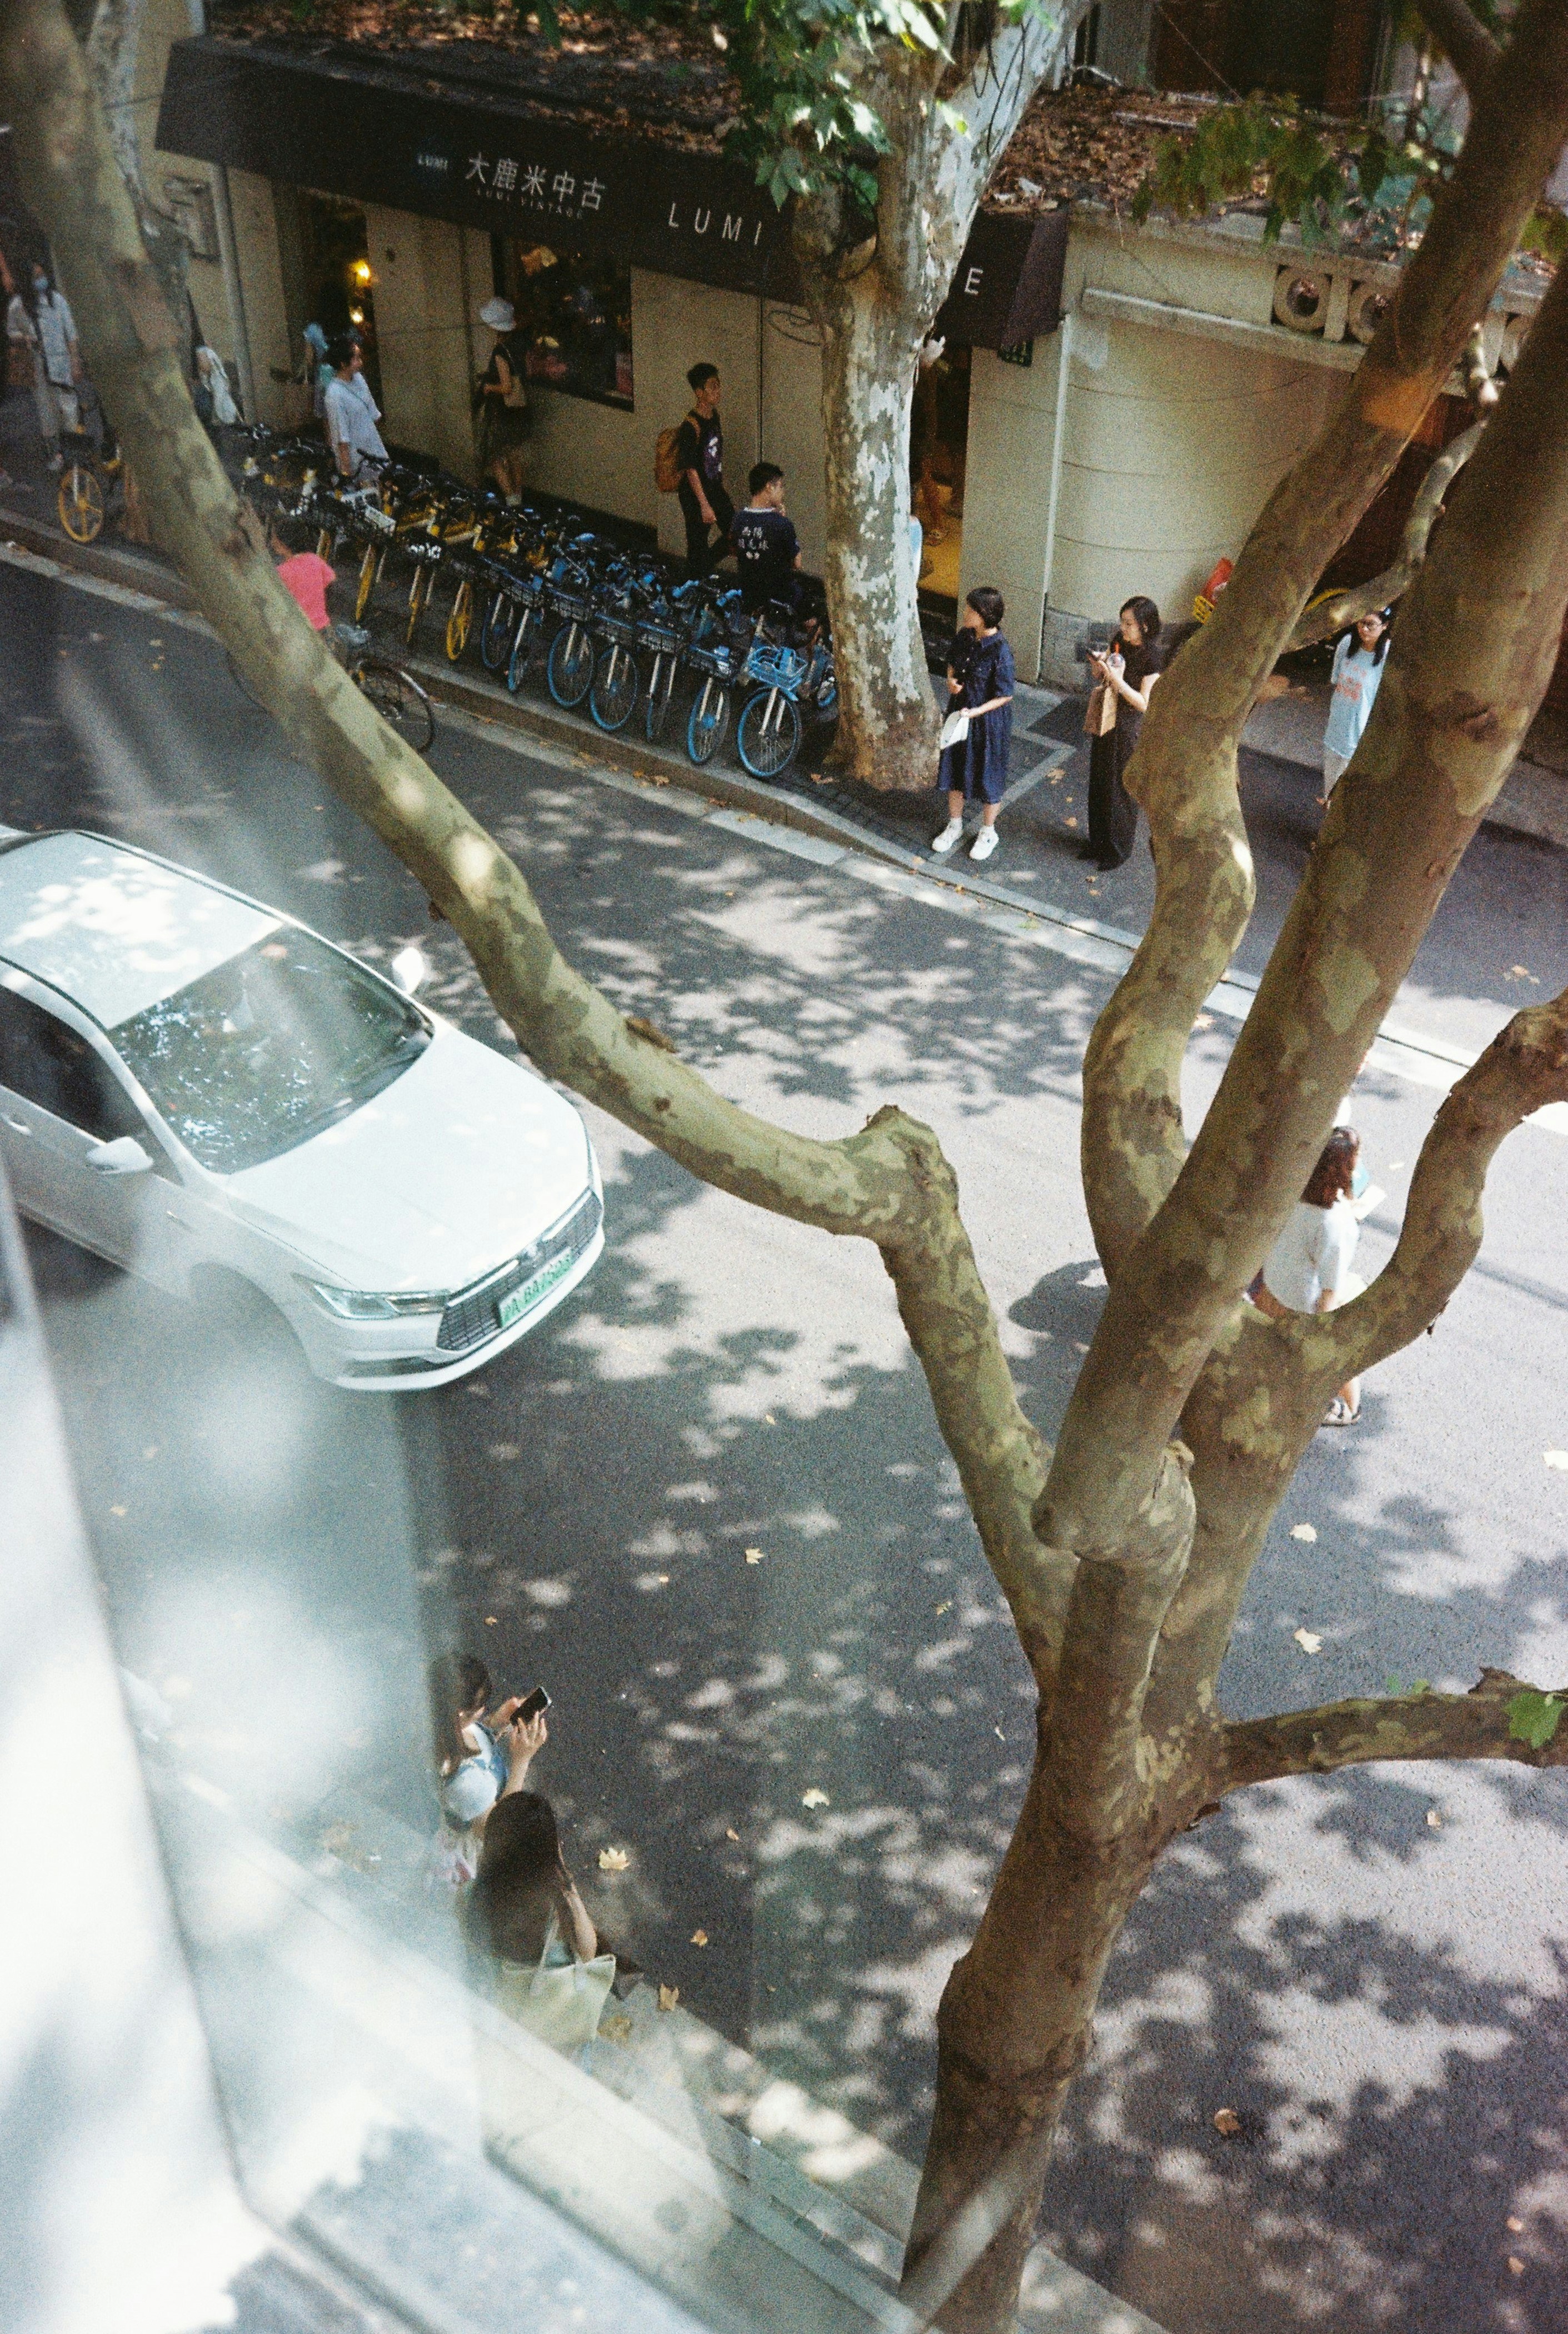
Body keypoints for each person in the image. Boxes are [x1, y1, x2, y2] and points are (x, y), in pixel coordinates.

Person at [468, 1791, 616, 2052]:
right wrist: (564, 1878)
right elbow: (587, 1951)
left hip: (498, 2005)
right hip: (550, 2020)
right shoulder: (555, 1910)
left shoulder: (478, 1894)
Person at [1255, 1126, 1366, 1426]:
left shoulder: (1290, 1192)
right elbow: (1330, 1290)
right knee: (1355, 1299)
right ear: (1347, 1170)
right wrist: (1323, 1336)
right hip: (1300, 1306)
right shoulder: (1337, 1223)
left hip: (1272, 1288)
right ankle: (1349, 1408)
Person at [427, 1651, 547, 1888]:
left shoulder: (441, 1727)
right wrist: (522, 1760)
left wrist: (496, 1723)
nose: (483, 1711)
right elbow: (501, 1831)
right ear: (461, 1715)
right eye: (480, 1707)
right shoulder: (466, 1784)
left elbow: (470, 1739)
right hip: (473, 1851)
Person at [931, 586, 1015, 865]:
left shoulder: (1001, 651)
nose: (965, 613)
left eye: (971, 609)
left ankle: (988, 832)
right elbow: (952, 663)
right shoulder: (965, 636)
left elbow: (1005, 695)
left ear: (984, 614)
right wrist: (951, 681)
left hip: (988, 723)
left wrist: (976, 712)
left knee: (989, 774)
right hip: (960, 714)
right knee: (955, 766)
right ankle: (955, 825)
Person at [1085, 595, 1162, 871]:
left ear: (1145, 626)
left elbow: (1144, 703)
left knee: (1120, 788)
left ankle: (1118, 849)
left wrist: (1118, 682)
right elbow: (1103, 673)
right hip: (1107, 715)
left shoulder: (1153, 657)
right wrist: (1099, 665)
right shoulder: (1120, 640)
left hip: (1129, 725)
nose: (1123, 628)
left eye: (1129, 624)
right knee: (1099, 781)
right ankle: (1097, 842)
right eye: (1122, 622)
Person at [6, 259, 81, 471]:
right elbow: (12, 333)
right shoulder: (18, 306)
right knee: (48, 413)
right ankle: (57, 454)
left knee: (69, 410)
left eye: (42, 275)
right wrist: (26, 339)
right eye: (36, 277)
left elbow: (71, 333)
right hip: (38, 368)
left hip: (61, 364)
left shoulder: (56, 300)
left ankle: (73, 454)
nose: (41, 280)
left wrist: (75, 361)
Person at [1321, 607, 1390, 800]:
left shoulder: (1387, 653)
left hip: (1360, 735)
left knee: (1347, 793)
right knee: (1330, 789)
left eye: (1371, 625)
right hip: (1337, 728)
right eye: (1361, 623)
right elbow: (1336, 679)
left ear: (1385, 626)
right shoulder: (1347, 643)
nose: (1364, 629)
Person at [675, 362, 732, 578]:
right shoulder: (690, 427)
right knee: (697, 545)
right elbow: (690, 469)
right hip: (695, 494)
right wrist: (704, 505)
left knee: (734, 534)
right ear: (699, 392)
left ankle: (701, 570)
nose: (718, 391)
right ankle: (691, 581)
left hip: (714, 487)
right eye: (713, 386)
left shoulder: (714, 416)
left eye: (719, 385)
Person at [476, 295, 531, 506]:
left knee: (495, 457)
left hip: (504, 412)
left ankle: (511, 499)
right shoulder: (518, 346)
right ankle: (519, 497)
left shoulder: (500, 352)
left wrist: (489, 387)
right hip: (521, 411)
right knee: (516, 456)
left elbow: (507, 387)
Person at [730, 462, 803, 614]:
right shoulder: (782, 524)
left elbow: (735, 550)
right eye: (780, 487)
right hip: (779, 594)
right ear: (769, 487)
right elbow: (797, 563)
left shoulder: (738, 519)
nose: (783, 492)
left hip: (748, 591)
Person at [322, 332, 388, 479]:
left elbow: (374, 413)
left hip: (375, 449)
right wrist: (346, 472)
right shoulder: (334, 394)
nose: (361, 362)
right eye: (356, 359)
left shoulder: (359, 379)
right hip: (357, 459)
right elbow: (342, 437)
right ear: (343, 364)